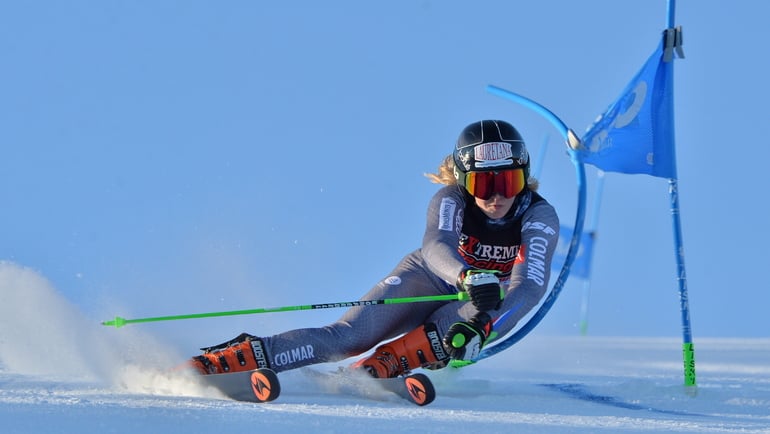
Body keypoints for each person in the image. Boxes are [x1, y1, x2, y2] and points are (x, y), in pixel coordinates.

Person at [191, 119, 559, 379]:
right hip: (430, 277)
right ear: (464, 181)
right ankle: (242, 357)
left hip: (482, 297)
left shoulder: (538, 214)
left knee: (452, 330)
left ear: (524, 178)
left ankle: (380, 368)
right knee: (349, 337)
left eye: (509, 181)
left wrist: (488, 327)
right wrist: (465, 274)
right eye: (483, 183)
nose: (497, 196)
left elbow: (529, 286)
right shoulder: (450, 199)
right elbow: (436, 245)